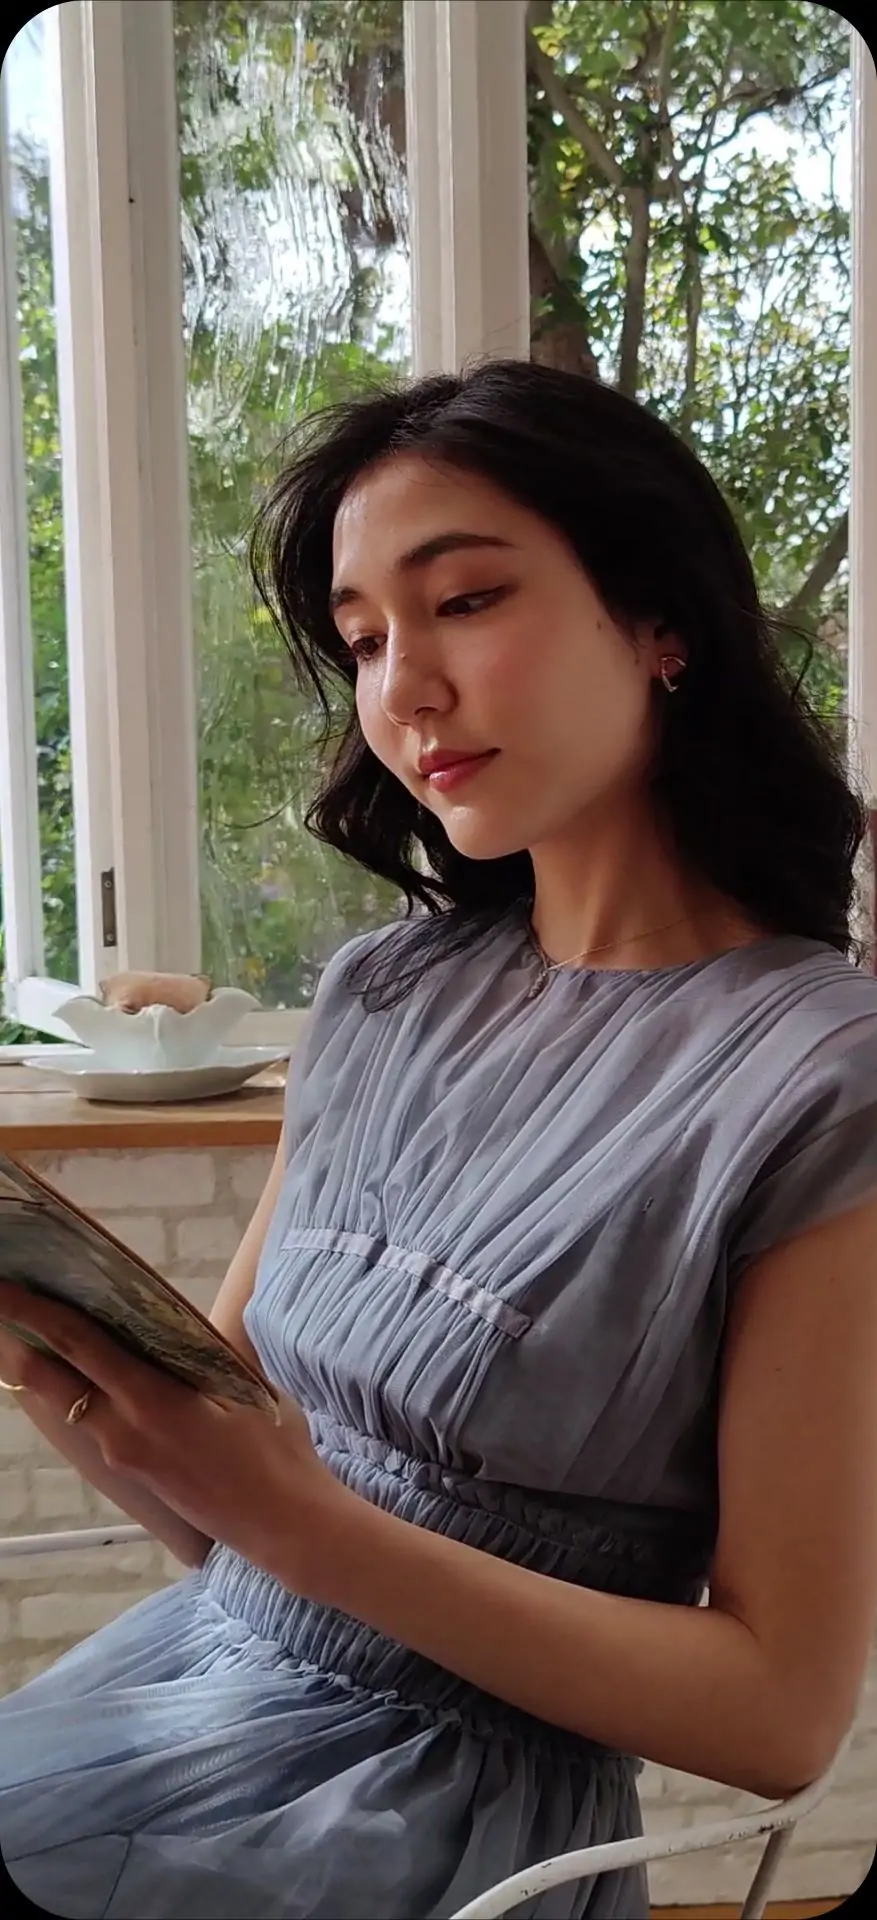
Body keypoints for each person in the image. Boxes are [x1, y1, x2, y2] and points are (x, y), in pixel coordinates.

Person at [1, 358, 877, 1920]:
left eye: (464, 601)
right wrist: (53, 1351)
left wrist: (296, 1519)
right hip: (187, 1702)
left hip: (441, 1834)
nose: (403, 688)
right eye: (362, 639)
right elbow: (222, 1509)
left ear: (661, 621)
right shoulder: (379, 994)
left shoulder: (822, 1077)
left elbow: (778, 1717)